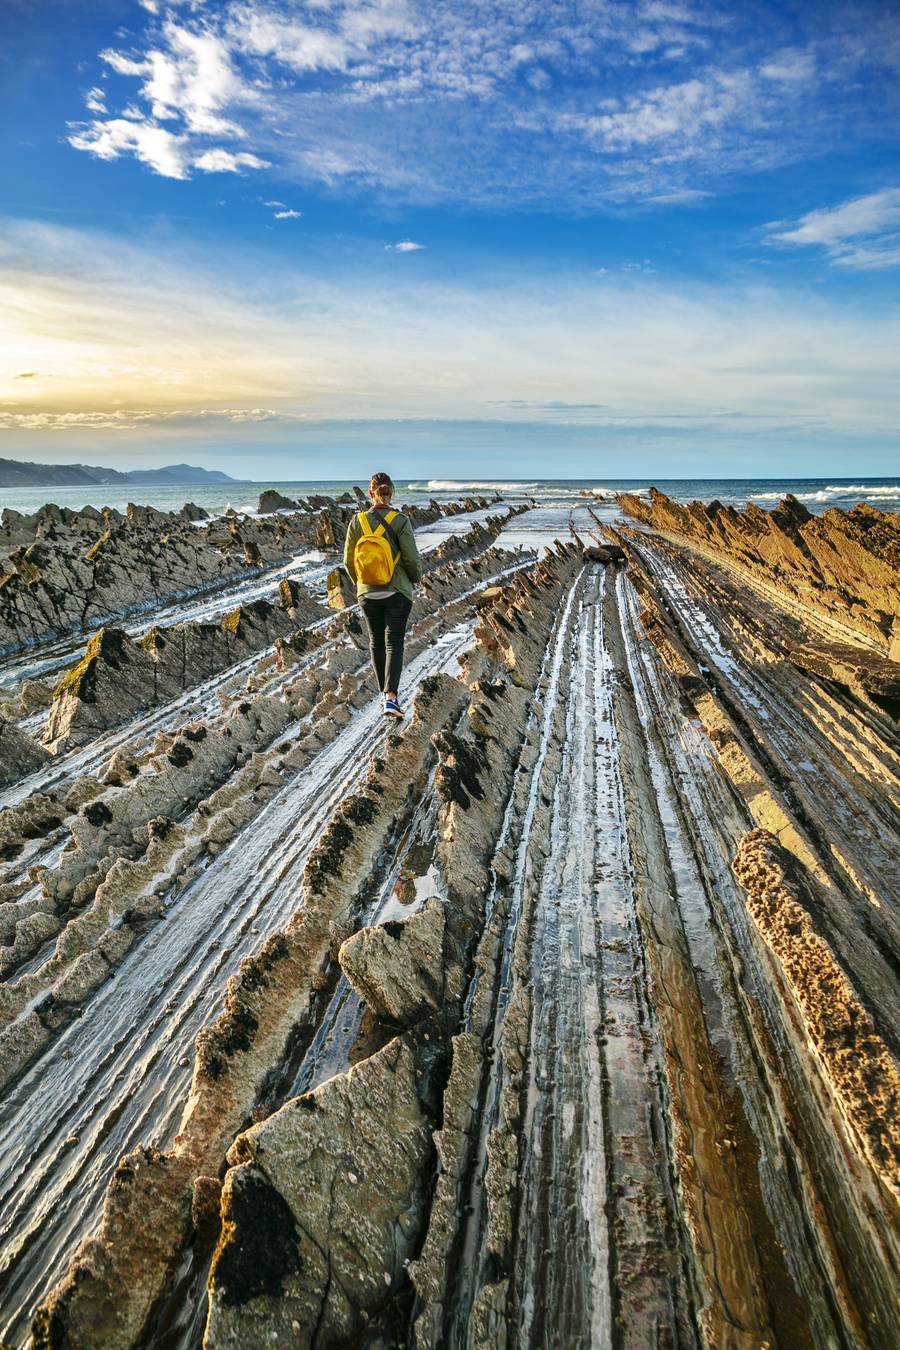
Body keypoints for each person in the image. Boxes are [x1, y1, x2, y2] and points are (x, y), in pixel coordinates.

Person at [343, 471, 422, 718]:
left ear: (370, 493)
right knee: (394, 642)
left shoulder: (357, 522)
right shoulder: (400, 521)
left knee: (376, 641)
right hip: (396, 590)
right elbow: (411, 559)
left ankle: (384, 697)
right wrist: (415, 579)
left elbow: (348, 561)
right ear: (391, 493)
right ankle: (391, 698)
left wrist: (363, 584)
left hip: (367, 593)